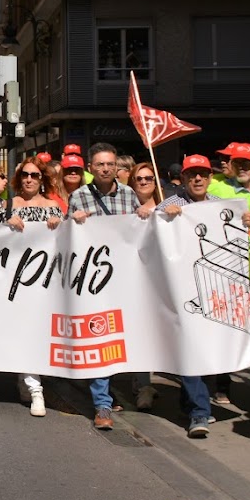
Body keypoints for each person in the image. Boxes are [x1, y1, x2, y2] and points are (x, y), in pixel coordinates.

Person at [68, 142, 140, 431]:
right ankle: (102, 404)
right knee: (100, 336)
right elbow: (68, 240)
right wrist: (72, 222)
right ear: (91, 168)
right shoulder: (79, 197)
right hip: (95, 281)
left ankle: (124, 390)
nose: (106, 169)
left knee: (124, 338)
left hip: (126, 278)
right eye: (100, 164)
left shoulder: (129, 195)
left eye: (110, 164)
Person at [206, 142, 250, 405]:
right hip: (228, 272)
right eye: (237, 163)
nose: (242, 168)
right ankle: (222, 384)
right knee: (228, 329)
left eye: (248, 163)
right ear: (230, 165)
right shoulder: (216, 188)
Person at [156, 155, 218, 438]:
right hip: (181, 288)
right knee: (191, 348)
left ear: (210, 177)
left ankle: (189, 401)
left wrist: (244, 220)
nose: (197, 179)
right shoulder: (169, 206)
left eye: (202, 174)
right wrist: (163, 220)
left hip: (215, 289)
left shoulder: (220, 206)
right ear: (181, 178)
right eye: (191, 174)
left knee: (208, 350)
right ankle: (199, 412)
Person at [126, 160, 163, 410]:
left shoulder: (169, 206)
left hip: (160, 279)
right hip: (130, 279)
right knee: (137, 332)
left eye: (148, 178)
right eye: (138, 179)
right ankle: (143, 385)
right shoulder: (125, 205)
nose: (143, 183)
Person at [6, 157, 63, 229]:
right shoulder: (9, 205)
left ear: (42, 179)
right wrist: (6, 224)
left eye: (34, 175)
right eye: (25, 175)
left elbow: (63, 235)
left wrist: (59, 224)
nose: (29, 180)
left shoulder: (53, 206)